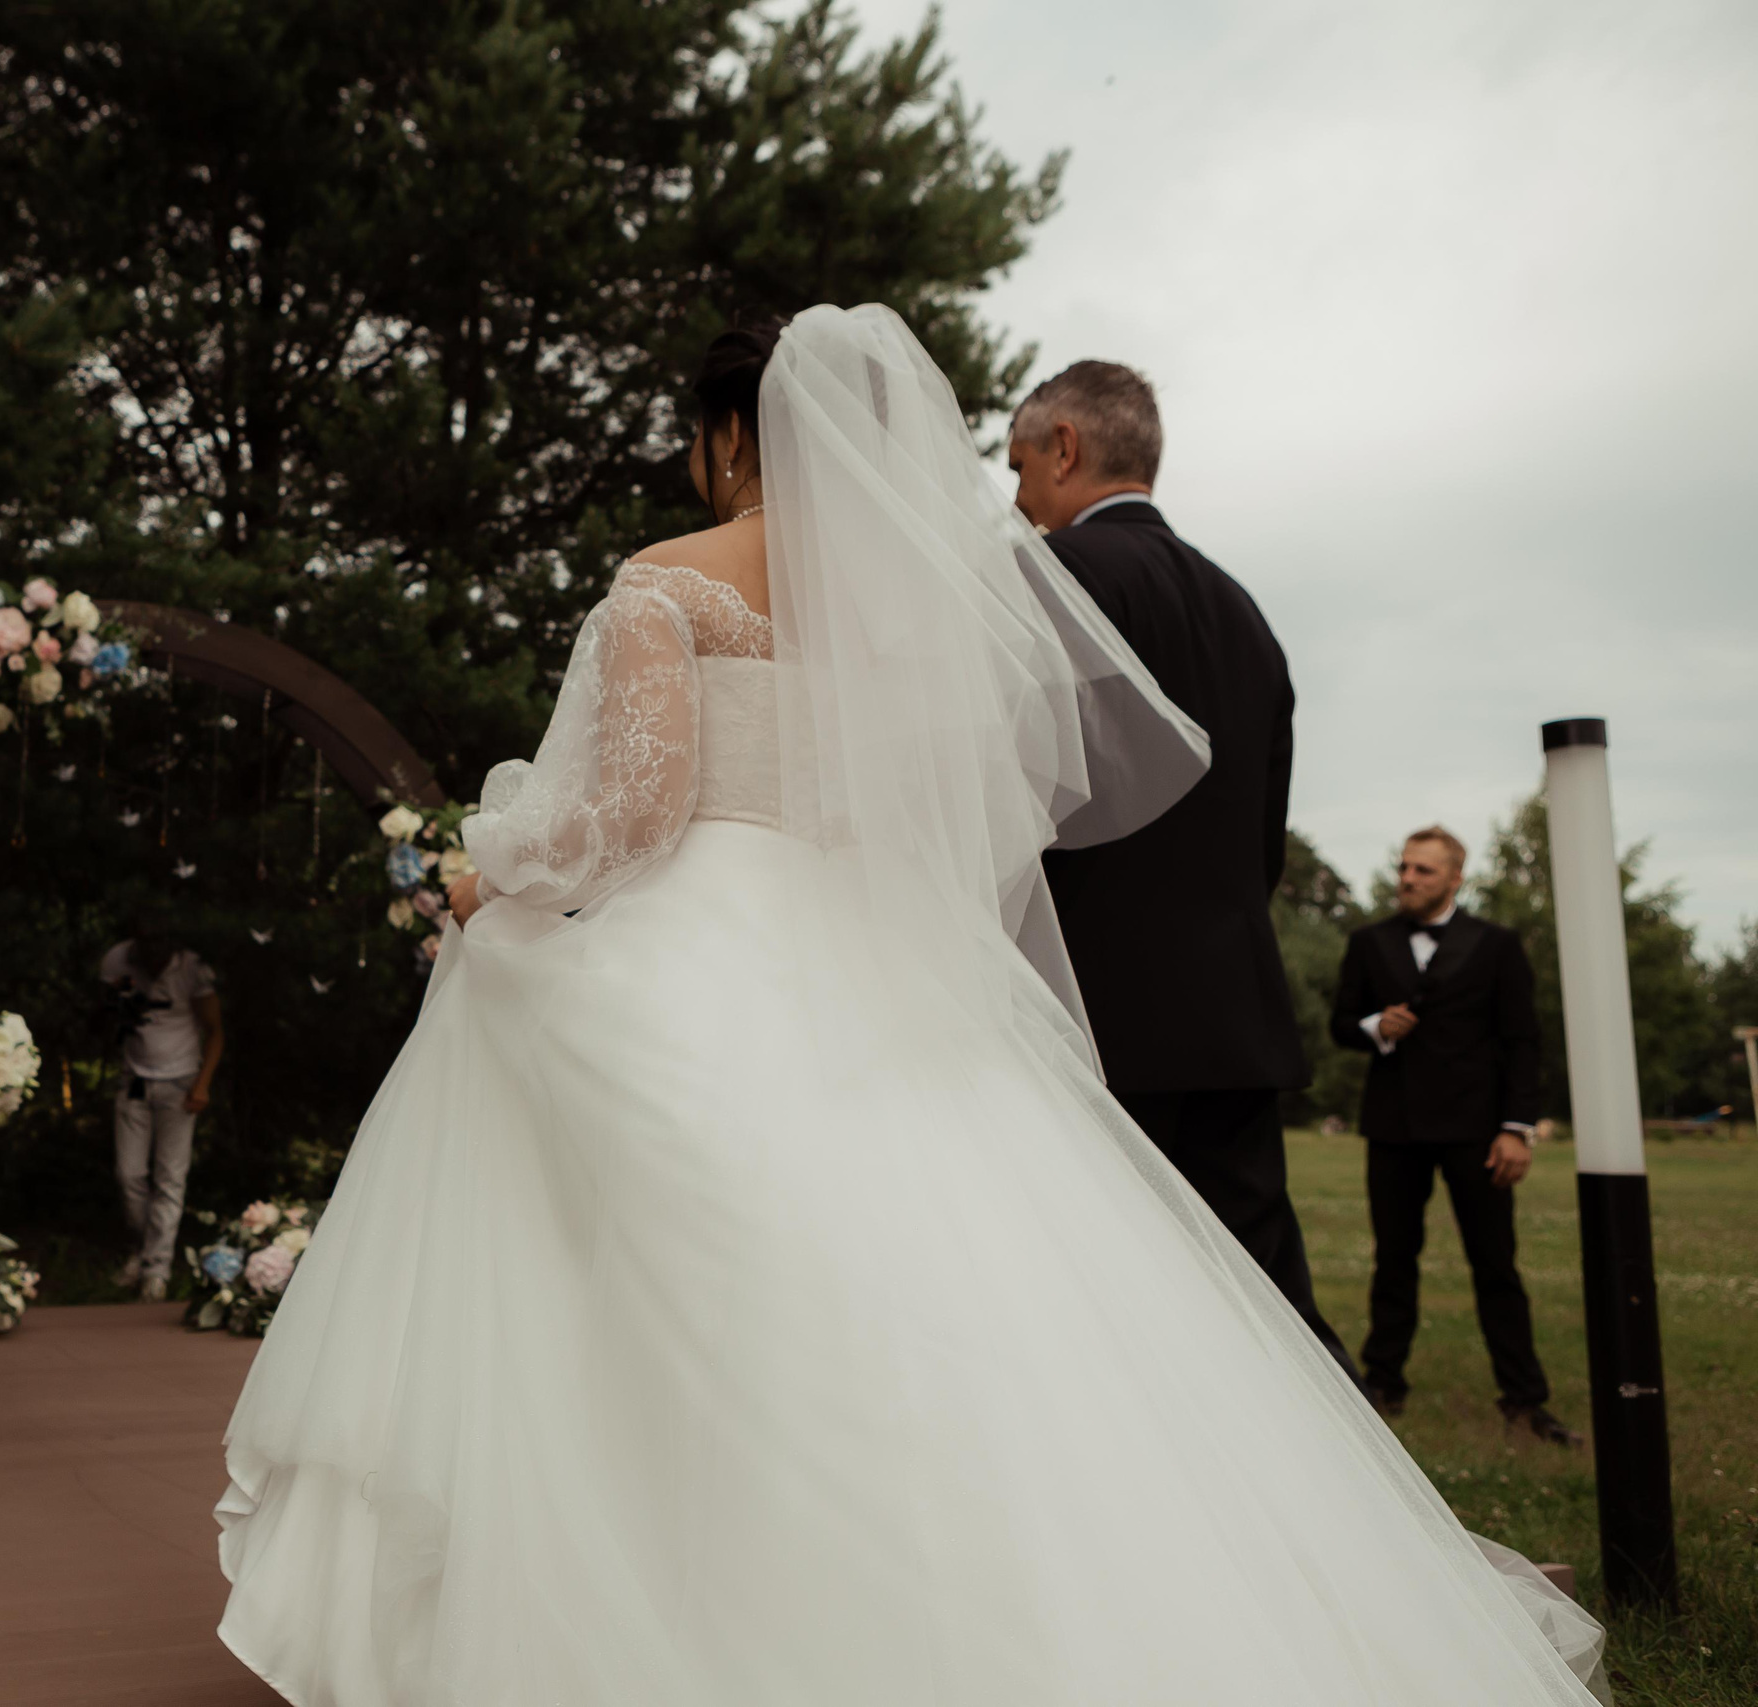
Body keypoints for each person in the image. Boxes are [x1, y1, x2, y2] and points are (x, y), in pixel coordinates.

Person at [207, 307, 1605, 1705]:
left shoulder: (668, 583)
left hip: (700, 934)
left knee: (519, 1030)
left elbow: (626, 821)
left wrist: (486, 866)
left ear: (734, 435)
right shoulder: (924, 618)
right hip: (874, 957)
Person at [1011, 361, 1356, 1377]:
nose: (1018, 495)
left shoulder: (1049, 582)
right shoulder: (1246, 615)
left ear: (1065, 447)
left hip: (1094, 1011)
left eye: (1020, 463)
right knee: (1262, 1310)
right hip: (1230, 1016)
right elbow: (1262, 839)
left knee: (1107, 1312)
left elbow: (1015, 798)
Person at [1333, 827, 1578, 1444]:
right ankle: (1382, 1386)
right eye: (1405, 867)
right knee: (1393, 1261)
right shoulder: (1369, 942)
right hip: (1394, 1127)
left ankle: (1524, 1400)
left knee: (1496, 1265)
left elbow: (1523, 1042)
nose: (1408, 879)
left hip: (1478, 1130)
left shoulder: (1496, 945)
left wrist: (1515, 1129)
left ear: (1455, 878)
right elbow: (1340, 1024)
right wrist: (1375, 1025)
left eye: (1424, 871)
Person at [99, 919, 224, 1302]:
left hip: (180, 1083)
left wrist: (202, 1085)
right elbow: (106, 1010)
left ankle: (157, 1270)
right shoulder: (118, 960)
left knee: (170, 1178)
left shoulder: (192, 969)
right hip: (134, 1079)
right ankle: (142, 1249)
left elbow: (215, 1030)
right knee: (130, 1174)